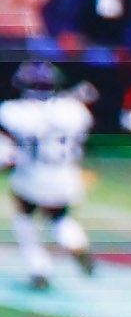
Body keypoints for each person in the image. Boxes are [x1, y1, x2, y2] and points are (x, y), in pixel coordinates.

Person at [6, 57, 95, 286]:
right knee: (59, 216)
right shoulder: (75, 109)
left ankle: (39, 268)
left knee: (24, 216)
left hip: (32, 174)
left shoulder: (12, 111)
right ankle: (76, 242)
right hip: (66, 174)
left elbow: (7, 153)